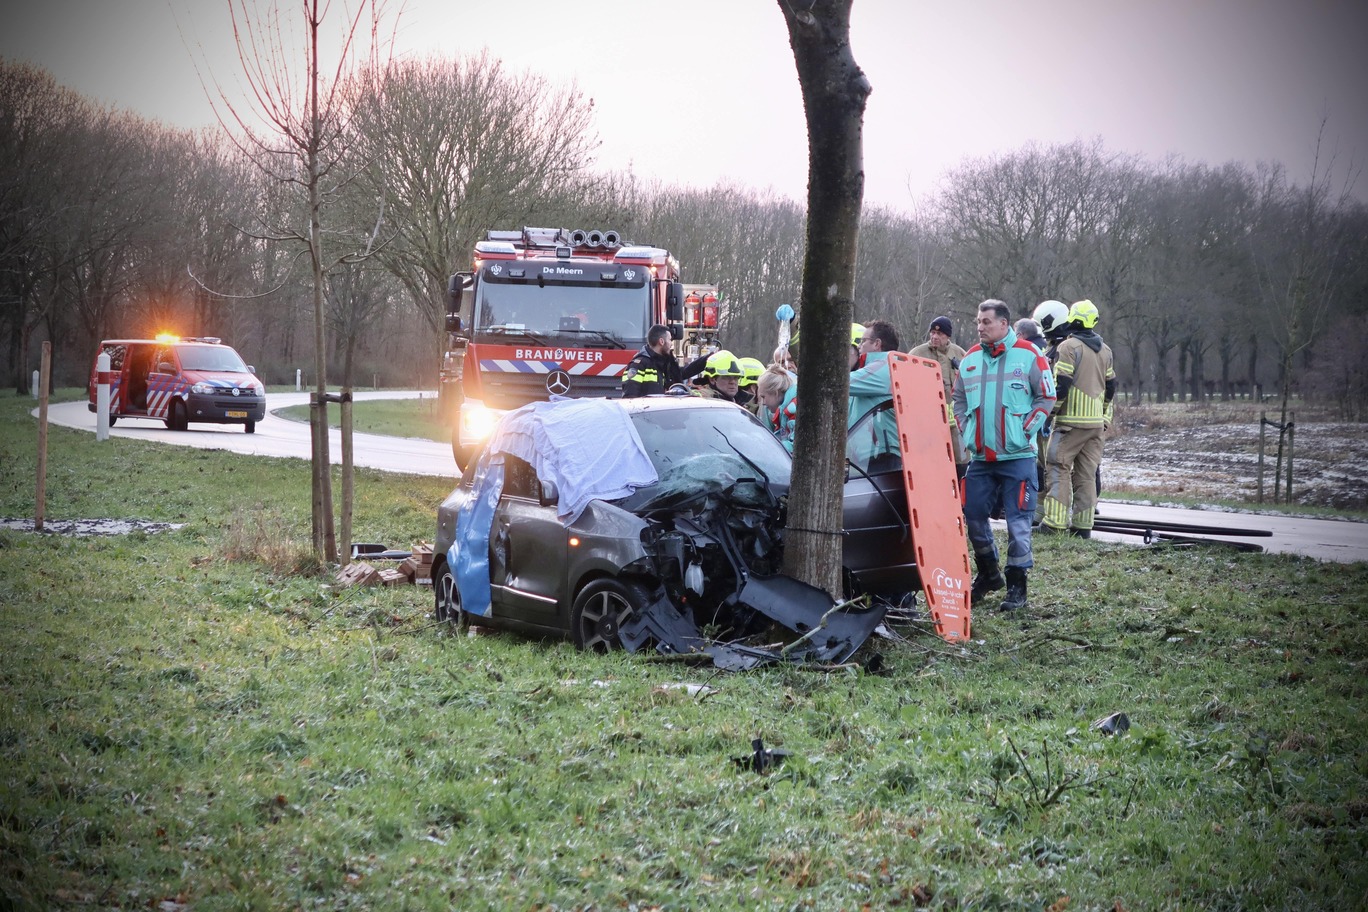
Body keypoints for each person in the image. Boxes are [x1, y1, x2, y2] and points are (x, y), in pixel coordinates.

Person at [952, 300, 1056, 611]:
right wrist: (967, 429)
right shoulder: (970, 359)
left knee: (1018, 522)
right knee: (971, 515)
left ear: (1004, 323)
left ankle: (1017, 586)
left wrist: (1026, 430)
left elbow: (1047, 396)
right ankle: (988, 573)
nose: (979, 327)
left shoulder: (1029, 354)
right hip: (981, 460)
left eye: (985, 321)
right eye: (978, 321)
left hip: (1019, 457)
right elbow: (958, 399)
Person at [1039, 299, 1116, 538]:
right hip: (1095, 426)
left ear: (1072, 318)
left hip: (1070, 423)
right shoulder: (1105, 349)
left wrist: (1048, 414)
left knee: (1057, 468)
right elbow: (1111, 387)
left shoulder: (1068, 347)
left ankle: (1054, 523)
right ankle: (1083, 528)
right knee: (1086, 475)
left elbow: (1061, 385)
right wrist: (1103, 415)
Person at [909, 315, 969, 474]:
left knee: (961, 463)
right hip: (928, 421)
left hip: (956, 424)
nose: (935, 337)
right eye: (932, 333)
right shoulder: (917, 354)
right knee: (932, 464)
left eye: (940, 334)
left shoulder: (960, 354)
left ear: (947, 336)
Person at [620, 324, 704, 397]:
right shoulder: (639, 365)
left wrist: (709, 358)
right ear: (661, 341)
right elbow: (630, 398)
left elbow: (684, 372)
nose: (671, 343)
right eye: (670, 340)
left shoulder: (666, 364)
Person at [757, 365, 798, 451]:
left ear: (775, 393)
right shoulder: (785, 410)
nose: (763, 403)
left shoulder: (793, 410)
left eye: (763, 397)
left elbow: (795, 446)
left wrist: (769, 448)